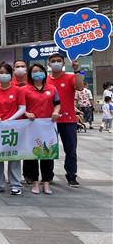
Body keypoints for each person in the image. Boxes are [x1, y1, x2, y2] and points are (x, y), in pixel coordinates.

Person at [0, 63, 26, 195]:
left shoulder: (18, 90)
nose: (3, 75)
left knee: (14, 156)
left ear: (11, 74)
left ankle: (15, 184)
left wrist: (11, 119)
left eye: (6, 73)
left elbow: (22, 108)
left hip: (13, 127)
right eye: (1, 73)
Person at [46, 53, 84, 187]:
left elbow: (80, 87)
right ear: (49, 64)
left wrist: (77, 70)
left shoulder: (70, 77)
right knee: (48, 149)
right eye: (53, 61)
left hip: (68, 120)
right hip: (49, 120)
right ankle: (47, 175)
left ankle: (71, 175)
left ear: (63, 63)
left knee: (71, 150)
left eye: (59, 61)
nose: (56, 63)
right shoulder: (45, 80)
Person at [24, 64, 61, 195]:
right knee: (33, 154)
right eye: (35, 71)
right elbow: (21, 107)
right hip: (31, 126)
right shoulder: (25, 89)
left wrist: (56, 112)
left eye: (40, 71)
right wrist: (27, 113)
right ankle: (35, 181)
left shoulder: (52, 88)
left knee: (48, 154)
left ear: (45, 73)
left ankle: (46, 182)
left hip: (48, 126)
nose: (38, 73)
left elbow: (57, 104)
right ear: (30, 74)